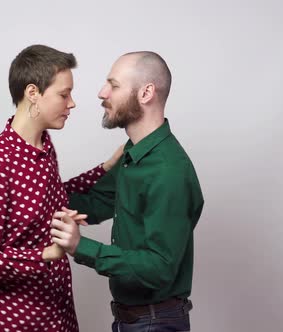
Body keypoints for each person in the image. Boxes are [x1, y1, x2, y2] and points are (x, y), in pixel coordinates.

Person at [0, 44, 120, 332]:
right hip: (12, 321)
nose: (71, 103)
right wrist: (46, 254)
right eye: (64, 94)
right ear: (32, 92)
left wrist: (106, 167)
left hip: (54, 314)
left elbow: (52, 195)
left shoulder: (43, 145)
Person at [50, 51, 204, 332]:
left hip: (154, 322)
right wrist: (32, 191)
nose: (101, 92)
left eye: (114, 85)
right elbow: (94, 202)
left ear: (146, 93)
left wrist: (80, 246)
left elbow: (160, 267)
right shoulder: (133, 154)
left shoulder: (168, 171)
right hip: (132, 320)